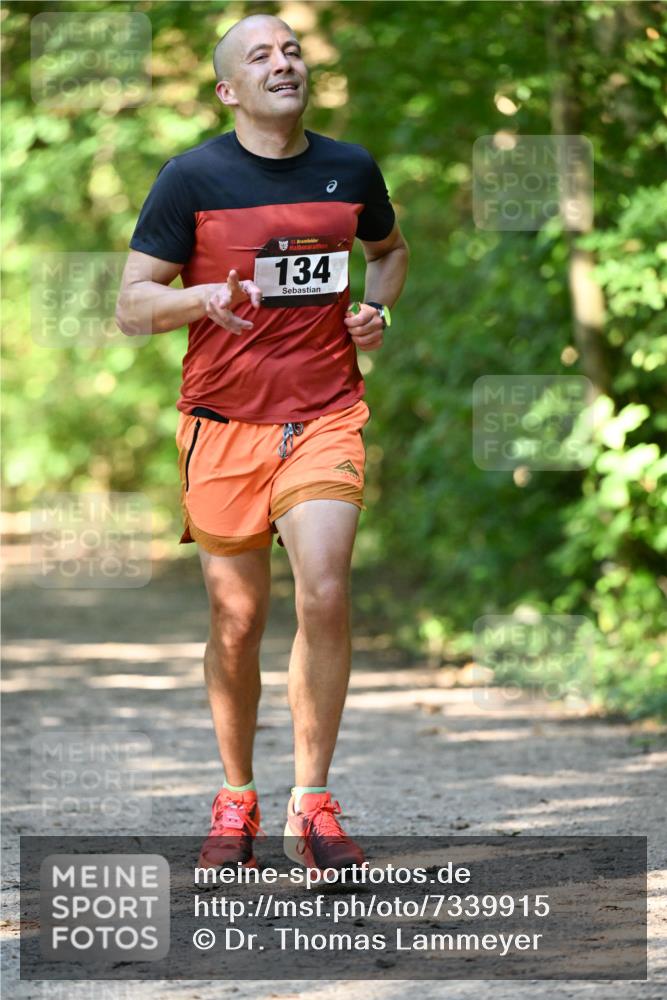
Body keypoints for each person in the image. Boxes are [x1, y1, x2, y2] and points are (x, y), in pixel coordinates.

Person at [116, 13, 409, 872]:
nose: (283, 62)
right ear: (227, 89)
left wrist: (377, 309)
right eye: (259, 56)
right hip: (221, 425)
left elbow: (387, 253)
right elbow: (133, 303)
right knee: (237, 622)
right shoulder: (190, 178)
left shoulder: (348, 168)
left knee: (323, 588)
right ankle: (235, 796)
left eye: (290, 49)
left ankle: (311, 804)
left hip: (323, 414)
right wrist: (198, 298)